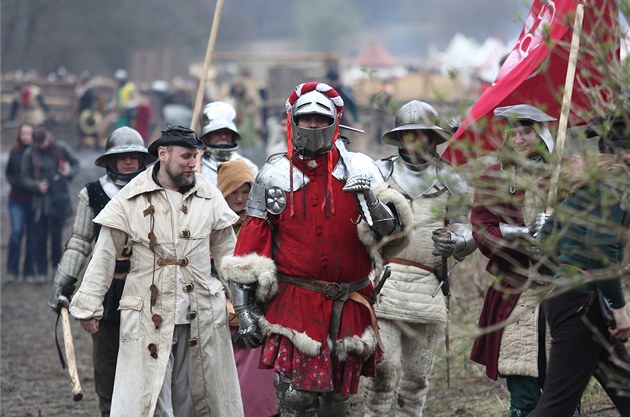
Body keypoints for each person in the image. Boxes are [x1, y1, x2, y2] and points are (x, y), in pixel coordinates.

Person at [220, 82, 413, 416]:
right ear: (293, 120)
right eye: (305, 118)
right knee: (295, 398)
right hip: (295, 304)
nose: (311, 125)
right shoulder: (274, 175)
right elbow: (249, 251)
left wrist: (368, 198)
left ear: (335, 121)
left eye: (319, 119)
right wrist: (246, 310)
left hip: (348, 303)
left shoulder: (362, 168)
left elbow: (393, 232)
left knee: (338, 401)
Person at [68, 125, 244, 417]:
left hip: (200, 310)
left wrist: (244, 306)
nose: (193, 164)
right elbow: (105, 252)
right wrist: (89, 304)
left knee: (196, 396)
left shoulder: (209, 195)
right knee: (150, 399)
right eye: (186, 156)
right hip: (149, 313)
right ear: (162, 154)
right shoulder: (133, 196)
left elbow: (229, 255)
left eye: (195, 157)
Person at [361, 100, 477, 416]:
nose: (414, 141)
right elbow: (361, 226)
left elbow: (468, 230)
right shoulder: (379, 173)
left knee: (416, 377)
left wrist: (456, 241)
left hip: (428, 287)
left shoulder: (450, 179)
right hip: (385, 283)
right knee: (383, 368)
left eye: (420, 134)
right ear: (400, 138)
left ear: (432, 137)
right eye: (408, 135)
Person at [528, 115, 630, 416]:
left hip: (574, 300)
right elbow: (601, 249)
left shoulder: (588, 185)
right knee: (556, 406)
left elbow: (546, 240)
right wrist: (620, 308)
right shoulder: (615, 187)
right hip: (582, 306)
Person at [47, 127, 150, 417]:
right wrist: (63, 286)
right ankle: (109, 411)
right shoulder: (92, 193)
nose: (129, 162)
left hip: (146, 287)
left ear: (142, 160)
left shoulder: (155, 190)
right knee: (106, 362)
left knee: (146, 358)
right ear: (110, 160)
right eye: (122, 157)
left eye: (134, 157)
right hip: (107, 289)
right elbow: (79, 242)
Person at [469, 104, 559, 417]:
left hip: (560, 289)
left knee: (562, 386)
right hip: (515, 289)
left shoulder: (563, 175)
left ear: (541, 134)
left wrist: (558, 224)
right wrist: (522, 234)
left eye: (527, 132)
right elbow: (483, 229)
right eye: (515, 132)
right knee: (523, 387)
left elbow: (586, 229)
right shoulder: (495, 178)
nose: (519, 139)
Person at [216, 159, 278, 417]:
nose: (240, 199)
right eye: (234, 192)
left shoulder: (261, 225)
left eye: (246, 192)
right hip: (219, 315)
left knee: (257, 386)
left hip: (258, 314)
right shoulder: (213, 226)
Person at [21, 129, 80, 282]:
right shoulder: (31, 153)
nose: (42, 146)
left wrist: (68, 172)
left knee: (56, 236)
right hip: (40, 202)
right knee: (40, 237)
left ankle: (56, 268)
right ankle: (41, 271)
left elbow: (75, 163)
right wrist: (36, 185)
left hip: (59, 199)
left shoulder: (60, 148)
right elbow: (24, 177)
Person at [199, 100, 258, 184]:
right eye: (217, 132)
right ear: (207, 136)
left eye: (227, 132)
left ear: (233, 135)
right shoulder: (195, 166)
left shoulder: (249, 167)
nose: (223, 137)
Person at [5, 123, 37, 282]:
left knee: (32, 236)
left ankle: (28, 271)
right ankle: (12, 270)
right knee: (16, 233)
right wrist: (18, 183)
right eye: (23, 133)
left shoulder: (37, 154)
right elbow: (9, 173)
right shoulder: (15, 151)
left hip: (33, 201)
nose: (25, 136)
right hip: (16, 200)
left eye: (29, 134)